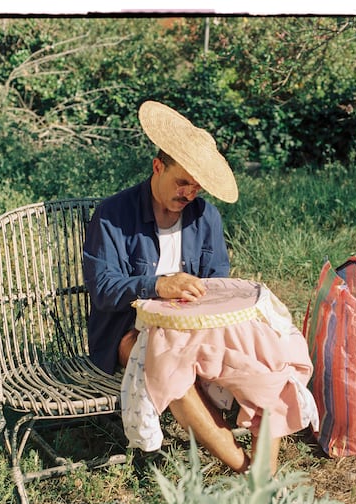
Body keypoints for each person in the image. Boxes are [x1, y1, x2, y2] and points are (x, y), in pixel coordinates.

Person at [84, 101, 284, 474]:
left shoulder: (205, 215)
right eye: (182, 181)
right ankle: (246, 470)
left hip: (196, 327)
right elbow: (103, 288)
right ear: (158, 166)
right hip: (126, 331)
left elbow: (217, 283)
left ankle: (266, 474)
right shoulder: (112, 215)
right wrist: (158, 285)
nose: (189, 192)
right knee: (171, 364)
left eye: (196, 186)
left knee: (266, 359)